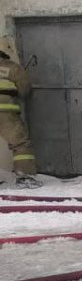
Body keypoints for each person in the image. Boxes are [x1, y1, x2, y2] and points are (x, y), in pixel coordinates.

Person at [0, 37, 41, 188]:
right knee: (21, 144)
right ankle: (25, 177)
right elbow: (25, 90)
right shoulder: (12, 68)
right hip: (6, 114)